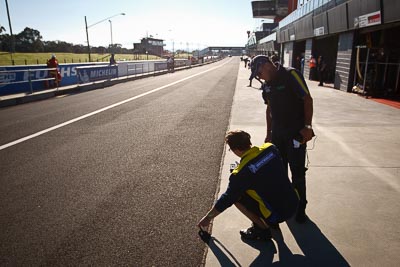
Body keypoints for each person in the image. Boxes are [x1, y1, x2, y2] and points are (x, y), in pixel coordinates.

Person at [198, 130, 299, 240]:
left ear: (235, 149)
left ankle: (262, 230)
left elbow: (227, 198)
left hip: (278, 214)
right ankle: (270, 218)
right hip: (294, 201)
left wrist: (208, 218)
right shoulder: (270, 148)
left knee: (236, 198)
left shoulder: (240, 174)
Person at [250, 55, 314, 223]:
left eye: (259, 73)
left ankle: (301, 208)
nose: (259, 77)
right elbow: (269, 109)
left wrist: (307, 126)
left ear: (266, 65)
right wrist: (268, 132)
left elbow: (307, 99)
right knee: (279, 172)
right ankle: (286, 205)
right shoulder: (266, 86)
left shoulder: (291, 75)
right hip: (278, 134)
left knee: (297, 172)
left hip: (295, 133)